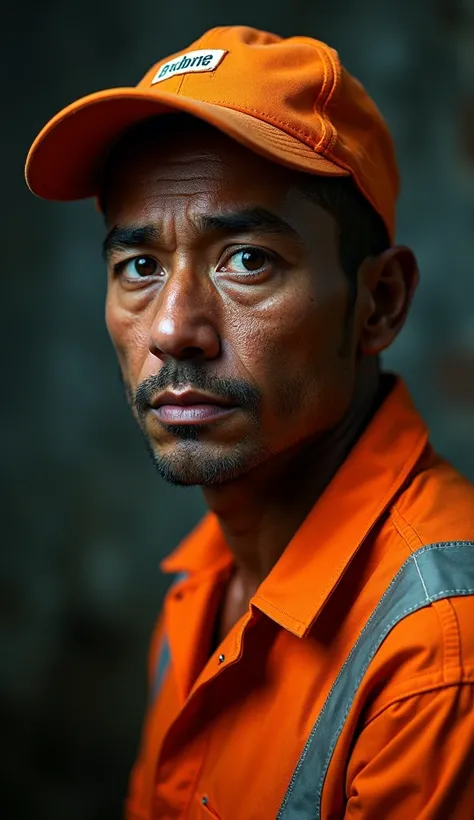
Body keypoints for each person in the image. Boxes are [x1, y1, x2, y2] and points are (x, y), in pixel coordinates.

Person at [25, 25, 474, 820]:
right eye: (140, 266)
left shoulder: (440, 654)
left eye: (247, 261)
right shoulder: (205, 583)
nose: (172, 329)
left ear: (380, 304)